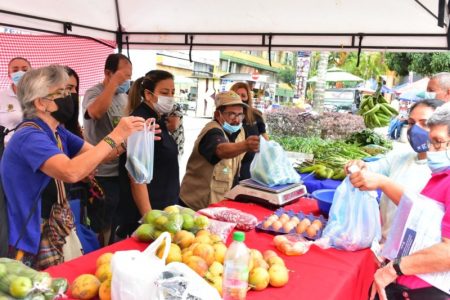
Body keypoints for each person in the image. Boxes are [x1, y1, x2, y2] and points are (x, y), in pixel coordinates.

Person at [0, 65, 146, 269]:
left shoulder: (57, 131)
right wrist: (116, 135)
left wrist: (134, 138)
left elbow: (100, 154)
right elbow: (71, 171)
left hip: (56, 224)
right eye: (63, 92)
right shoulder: (29, 136)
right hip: (33, 232)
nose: (70, 96)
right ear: (41, 103)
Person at [357, 104, 450, 300]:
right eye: (431, 142)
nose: (431, 150)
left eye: (438, 143)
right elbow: (424, 227)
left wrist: (395, 269)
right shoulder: (441, 176)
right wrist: (394, 250)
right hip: (403, 284)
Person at [346, 99, 444, 240]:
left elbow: (424, 213)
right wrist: (359, 166)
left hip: (414, 254)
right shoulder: (400, 158)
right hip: (384, 246)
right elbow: (373, 168)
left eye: (425, 123)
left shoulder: (443, 170)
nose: (415, 129)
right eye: (411, 123)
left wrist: (385, 184)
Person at [117, 70, 179, 237]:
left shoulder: (156, 119)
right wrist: (148, 218)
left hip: (162, 208)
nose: (170, 97)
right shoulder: (141, 122)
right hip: (147, 214)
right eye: (165, 93)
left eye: (173, 92)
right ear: (148, 95)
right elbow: (136, 177)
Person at [179, 91, 260, 210]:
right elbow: (221, 150)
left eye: (240, 115)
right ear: (218, 114)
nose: (237, 120)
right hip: (195, 205)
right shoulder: (212, 131)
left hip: (220, 203)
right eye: (232, 114)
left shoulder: (240, 132)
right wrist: (246, 145)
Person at [82, 53, 132, 246]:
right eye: (122, 76)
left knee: (113, 221)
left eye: (128, 77)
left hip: (119, 170)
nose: (126, 81)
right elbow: (95, 112)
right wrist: (113, 83)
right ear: (108, 73)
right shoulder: (93, 93)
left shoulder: (124, 97)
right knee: (99, 224)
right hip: (100, 173)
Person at [230, 82, 269, 180]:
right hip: (230, 165)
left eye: (243, 95)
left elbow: (265, 139)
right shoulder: (224, 117)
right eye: (237, 95)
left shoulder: (256, 115)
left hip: (251, 166)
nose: (240, 98)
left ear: (248, 98)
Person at [0, 57, 32, 143]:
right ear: (9, 74)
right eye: (15, 70)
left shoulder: (41, 96)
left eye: (25, 70)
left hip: (35, 146)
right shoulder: (1, 97)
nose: (20, 73)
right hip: (8, 148)